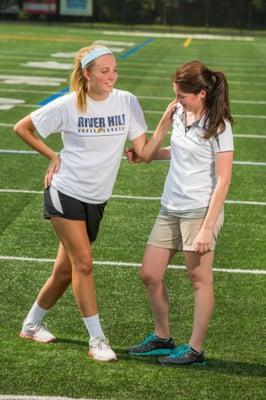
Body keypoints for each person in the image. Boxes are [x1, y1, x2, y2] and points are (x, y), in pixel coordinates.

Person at [14, 44, 176, 362]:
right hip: (65, 191)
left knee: (64, 271)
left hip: (97, 198)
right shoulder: (68, 104)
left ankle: (31, 325)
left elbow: (142, 153)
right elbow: (22, 127)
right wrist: (53, 155)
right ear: (87, 74)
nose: (112, 76)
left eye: (114, 69)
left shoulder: (127, 101)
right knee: (84, 264)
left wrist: (169, 129)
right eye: (104, 71)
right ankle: (97, 340)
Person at [127, 60, 234, 366]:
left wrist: (206, 228)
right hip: (170, 205)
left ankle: (195, 350)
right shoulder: (176, 112)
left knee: (199, 279)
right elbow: (160, 152)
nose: (177, 100)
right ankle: (162, 338)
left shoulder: (219, 125)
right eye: (175, 94)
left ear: (201, 93)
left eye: (182, 95)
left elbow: (224, 178)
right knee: (149, 273)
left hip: (199, 211)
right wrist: (151, 146)